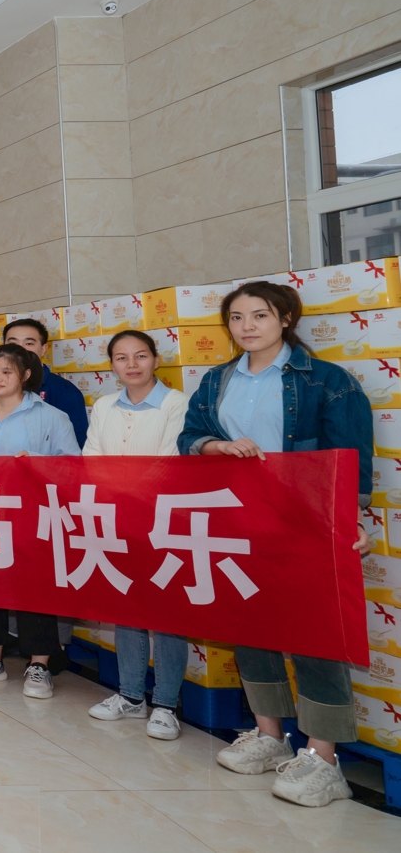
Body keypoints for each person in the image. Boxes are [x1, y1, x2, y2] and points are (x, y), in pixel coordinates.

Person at [186, 282, 373, 807]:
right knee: (251, 628)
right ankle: (269, 735)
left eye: (260, 315)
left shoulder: (327, 380)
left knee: (315, 637)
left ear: (286, 318)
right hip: (236, 520)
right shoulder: (217, 379)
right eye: (237, 317)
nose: (247, 326)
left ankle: (323, 758)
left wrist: (350, 518)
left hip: (305, 524)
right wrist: (217, 445)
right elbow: (190, 437)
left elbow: (349, 459)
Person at [0, 345, 79, 699]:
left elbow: (73, 466)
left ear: (25, 375)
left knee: (34, 587)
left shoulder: (52, 416)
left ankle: (39, 664)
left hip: (33, 515)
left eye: (6, 372)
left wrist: (36, 460)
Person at [83, 330, 192, 741]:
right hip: (115, 519)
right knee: (126, 605)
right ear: (112, 364)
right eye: (122, 357)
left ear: (156, 360)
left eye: (141, 356)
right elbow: (91, 457)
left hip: (163, 521)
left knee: (166, 613)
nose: (131, 364)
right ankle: (130, 695)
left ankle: (165, 703)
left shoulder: (176, 403)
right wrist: (113, 499)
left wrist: (127, 492)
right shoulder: (104, 405)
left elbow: (169, 460)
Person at [1, 318, 90, 445]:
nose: (20, 350)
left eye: (29, 343)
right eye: (13, 343)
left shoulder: (64, 391)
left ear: (43, 349)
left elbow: (76, 445)